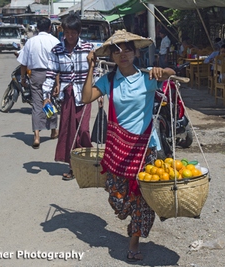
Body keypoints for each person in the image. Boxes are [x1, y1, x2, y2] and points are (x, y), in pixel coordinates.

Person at [81, 30, 175, 261]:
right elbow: (85, 98)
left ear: (135, 52)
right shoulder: (109, 81)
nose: (122, 54)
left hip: (145, 149)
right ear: (112, 56)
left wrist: (163, 70)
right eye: (117, 50)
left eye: (127, 49)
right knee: (118, 198)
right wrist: (91, 67)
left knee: (142, 199)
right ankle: (131, 220)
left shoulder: (147, 77)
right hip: (118, 149)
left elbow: (172, 75)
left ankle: (134, 240)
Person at [41, 14, 94, 181]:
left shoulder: (88, 47)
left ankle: (87, 162)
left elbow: (96, 71)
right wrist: (46, 95)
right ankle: (73, 166)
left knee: (83, 130)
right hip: (67, 95)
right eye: (67, 33)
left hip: (84, 95)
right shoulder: (57, 50)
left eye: (73, 33)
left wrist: (98, 93)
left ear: (78, 32)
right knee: (69, 131)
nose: (70, 36)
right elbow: (50, 74)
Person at [17, 17, 59, 148]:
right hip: (51, 75)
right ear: (49, 28)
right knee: (49, 101)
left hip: (35, 74)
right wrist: (57, 82)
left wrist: (23, 78)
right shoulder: (55, 41)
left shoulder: (31, 42)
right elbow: (58, 64)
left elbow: (23, 63)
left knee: (36, 104)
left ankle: (36, 136)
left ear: (37, 28)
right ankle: (53, 130)